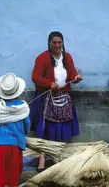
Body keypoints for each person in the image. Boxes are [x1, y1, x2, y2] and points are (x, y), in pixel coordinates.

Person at [30, 31, 83, 171]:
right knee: (45, 129)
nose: (57, 45)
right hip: (46, 97)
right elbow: (35, 77)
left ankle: (57, 157)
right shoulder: (42, 58)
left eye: (59, 42)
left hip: (64, 97)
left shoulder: (67, 57)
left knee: (61, 128)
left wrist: (76, 77)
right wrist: (49, 84)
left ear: (62, 43)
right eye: (54, 42)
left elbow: (72, 73)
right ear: (49, 43)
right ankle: (42, 159)